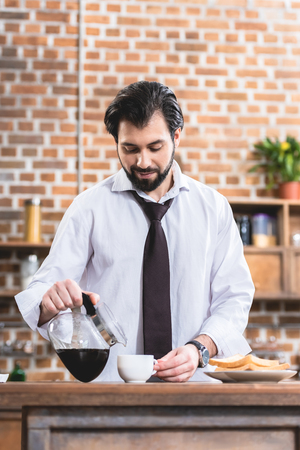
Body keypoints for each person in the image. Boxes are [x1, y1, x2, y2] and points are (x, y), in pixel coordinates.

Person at [15, 81, 254, 382]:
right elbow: (41, 291)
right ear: (116, 142)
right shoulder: (88, 208)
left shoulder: (214, 208)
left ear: (176, 137)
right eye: (130, 149)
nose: (142, 162)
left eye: (155, 147)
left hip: (197, 390)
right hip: (109, 394)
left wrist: (199, 348)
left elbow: (234, 298)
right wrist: (50, 300)